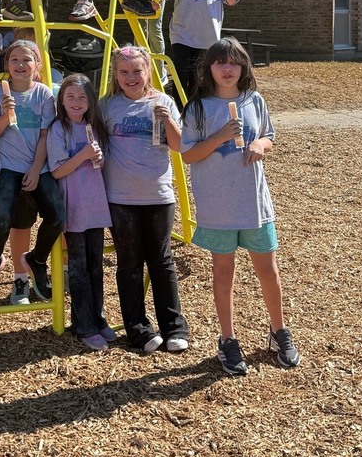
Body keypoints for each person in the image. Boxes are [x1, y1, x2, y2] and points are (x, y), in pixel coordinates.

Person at [180, 38, 301, 375]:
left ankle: (279, 332)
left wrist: (261, 145)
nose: (228, 69)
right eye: (221, 63)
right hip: (218, 208)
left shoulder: (254, 100)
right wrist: (219, 136)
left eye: (234, 62)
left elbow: (269, 136)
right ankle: (228, 340)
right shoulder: (198, 108)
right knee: (223, 273)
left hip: (254, 204)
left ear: (244, 67)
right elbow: (188, 154)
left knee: (269, 271)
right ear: (209, 69)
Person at [100, 45, 189, 353]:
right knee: (129, 262)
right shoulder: (107, 106)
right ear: (115, 75)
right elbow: (94, 144)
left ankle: (174, 328)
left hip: (158, 195)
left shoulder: (164, 101)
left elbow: (179, 146)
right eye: (123, 72)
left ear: (148, 71)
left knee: (162, 261)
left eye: (137, 71)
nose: (131, 77)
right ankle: (138, 328)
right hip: (120, 197)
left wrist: (168, 120)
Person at [0, 39, 65, 302]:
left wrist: (36, 168)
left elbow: (45, 136)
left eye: (27, 59)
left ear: (37, 64)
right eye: (14, 59)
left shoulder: (44, 94)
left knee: (57, 217)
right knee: (3, 219)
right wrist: (6, 116)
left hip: (38, 167)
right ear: (7, 64)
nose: (20, 64)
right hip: (8, 167)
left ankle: (37, 261)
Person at [47, 73, 114, 350]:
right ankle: (84, 326)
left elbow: (101, 165)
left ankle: (95, 318)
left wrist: (98, 158)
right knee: (78, 269)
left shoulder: (93, 128)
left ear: (90, 102)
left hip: (95, 206)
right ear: (61, 100)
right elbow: (57, 169)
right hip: (73, 207)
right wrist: (83, 155)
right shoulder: (58, 130)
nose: (76, 102)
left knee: (95, 266)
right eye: (70, 97)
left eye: (82, 97)